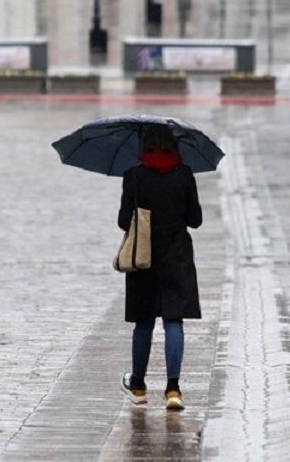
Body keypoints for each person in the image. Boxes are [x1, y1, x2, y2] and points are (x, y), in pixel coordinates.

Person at [118, 124, 202, 411]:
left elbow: (121, 221)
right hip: (176, 255)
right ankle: (173, 389)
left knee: (144, 320)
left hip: (145, 256)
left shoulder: (134, 176)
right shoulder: (185, 175)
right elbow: (196, 219)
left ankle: (139, 385)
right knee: (173, 320)